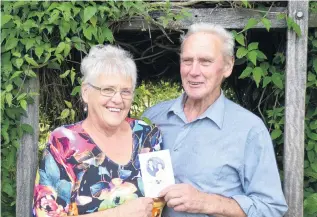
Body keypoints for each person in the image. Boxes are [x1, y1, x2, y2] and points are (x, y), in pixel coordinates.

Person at [143, 23, 288, 217]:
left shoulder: (249, 130)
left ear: (227, 66)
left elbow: (271, 208)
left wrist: (205, 202)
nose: (193, 71)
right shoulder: (152, 117)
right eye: (187, 61)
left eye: (205, 62)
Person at [32, 44, 163, 217]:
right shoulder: (63, 142)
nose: (117, 99)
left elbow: (159, 200)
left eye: (125, 91)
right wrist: (120, 213)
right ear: (86, 92)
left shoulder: (148, 135)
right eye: (108, 90)